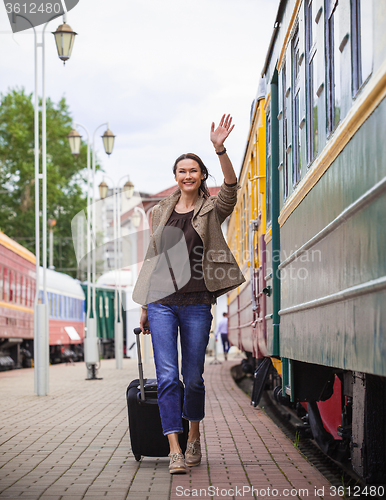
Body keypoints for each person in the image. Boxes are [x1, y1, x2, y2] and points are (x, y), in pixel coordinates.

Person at [133, 114, 245, 474]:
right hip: (162, 302)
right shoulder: (160, 212)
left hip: (197, 303)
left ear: (201, 176)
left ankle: (194, 435)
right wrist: (145, 307)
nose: (187, 175)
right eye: (181, 170)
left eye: (193, 170)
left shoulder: (212, 208)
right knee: (167, 377)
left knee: (193, 377)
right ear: (176, 176)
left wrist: (220, 149)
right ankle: (175, 448)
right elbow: (155, 256)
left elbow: (231, 185)